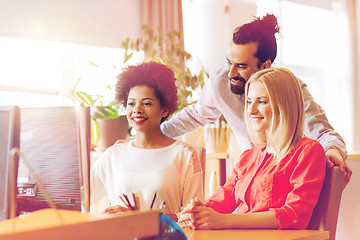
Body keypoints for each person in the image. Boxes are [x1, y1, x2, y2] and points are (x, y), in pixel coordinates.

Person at [160, 14, 352, 185]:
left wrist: (332, 154)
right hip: (247, 178)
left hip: (284, 182)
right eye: (229, 62)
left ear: (265, 65)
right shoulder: (220, 81)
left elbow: (326, 134)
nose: (231, 72)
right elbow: (195, 115)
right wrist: (152, 133)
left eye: (241, 66)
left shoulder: (291, 90)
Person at [178, 68, 326, 230]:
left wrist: (224, 221)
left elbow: (294, 215)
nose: (251, 110)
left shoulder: (308, 151)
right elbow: (222, 201)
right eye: (249, 101)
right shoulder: (248, 157)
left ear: (285, 104)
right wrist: (198, 211)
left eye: (261, 101)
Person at [90, 61, 203, 221]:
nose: (137, 109)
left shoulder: (184, 154)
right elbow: (81, 202)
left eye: (147, 103)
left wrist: (142, 219)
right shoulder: (113, 155)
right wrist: (103, 216)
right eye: (131, 103)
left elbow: (192, 217)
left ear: (164, 109)